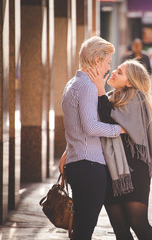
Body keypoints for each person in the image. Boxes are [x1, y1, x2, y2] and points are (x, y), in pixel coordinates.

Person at [59, 36, 123, 240]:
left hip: (77, 163)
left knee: (80, 228)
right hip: (89, 166)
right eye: (107, 62)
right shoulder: (87, 87)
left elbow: (75, 127)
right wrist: (120, 129)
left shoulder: (72, 83)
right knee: (85, 229)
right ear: (97, 60)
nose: (108, 68)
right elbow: (90, 126)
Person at [87, 59, 152, 240]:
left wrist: (100, 90)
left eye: (119, 72)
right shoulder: (112, 97)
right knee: (120, 229)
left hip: (134, 171)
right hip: (111, 169)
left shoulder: (136, 98)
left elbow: (110, 124)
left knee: (138, 223)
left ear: (130, 82)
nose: (113, 72)